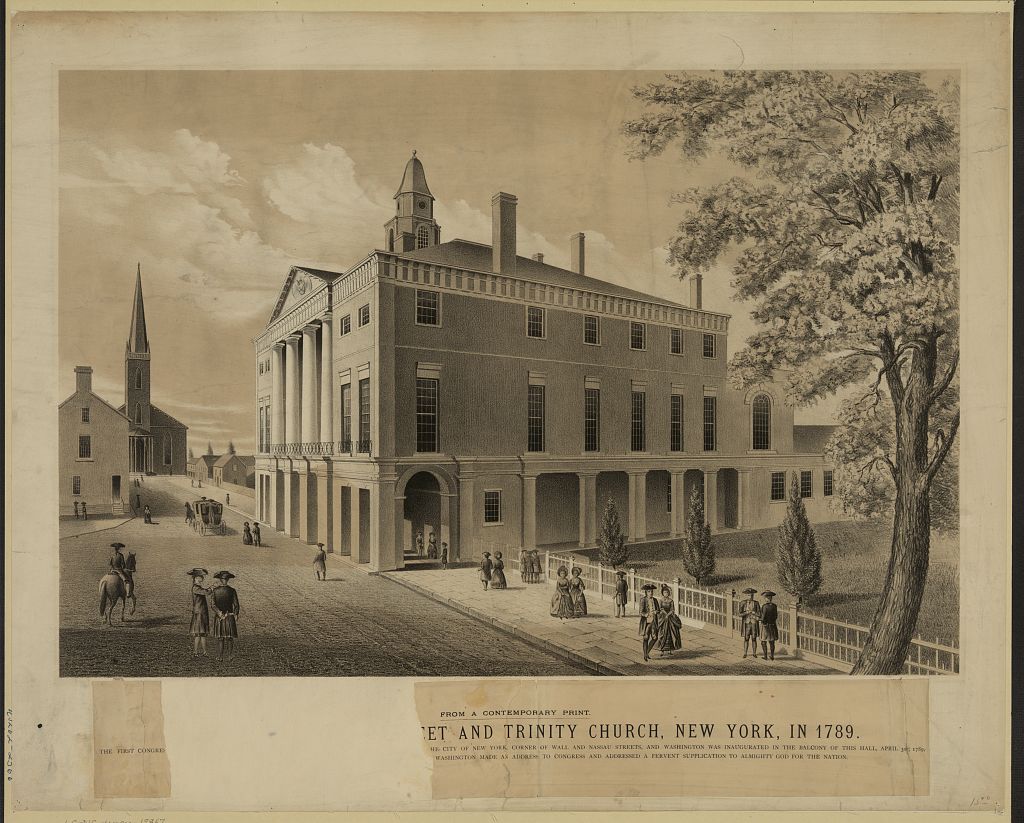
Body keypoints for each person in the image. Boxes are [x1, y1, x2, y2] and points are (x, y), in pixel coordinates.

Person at [210, 571, 240, 660]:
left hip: (224, 617)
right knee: (224, 637)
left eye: (225, 579)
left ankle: (225, 656)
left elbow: (213, 605)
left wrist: (220, 613)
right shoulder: (231, 590)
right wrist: (235, 613)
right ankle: (223, 656)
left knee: (225, 637)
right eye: (224, 579)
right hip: (225, 617)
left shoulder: (217, 590)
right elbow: (236, 605)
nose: (224, 580)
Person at [187, 568, 211, 657]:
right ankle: (195, 652)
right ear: (196, 578)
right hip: (199, 613)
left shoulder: (197, 587)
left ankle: (204, 652)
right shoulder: (195, 588)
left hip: (202, 612)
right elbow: (206, 592)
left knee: (202, 633)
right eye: (201, 576)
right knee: (198, 633)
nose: (202, 578)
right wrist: (212, 588)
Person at [655, 584, 683, 656]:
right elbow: (660, 608)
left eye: (667, 593)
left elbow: (672, 610)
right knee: (662, 633)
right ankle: (662, 650)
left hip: (670, 617)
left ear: (668, 593)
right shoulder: (661, 600)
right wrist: (665, 614)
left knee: (671, 633)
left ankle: (670, 650)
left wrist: (668, 615)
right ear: (662, 593)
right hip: (663, 617)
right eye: (664, 592)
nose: (666, 594)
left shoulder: (671, 601)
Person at [638, 583, 659, 661]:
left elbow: (658, 610)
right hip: (646, 622)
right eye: (649, 591)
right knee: (646, 638)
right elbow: (640, 612)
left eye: (652, 591)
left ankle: (647, 652)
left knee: (655, 637)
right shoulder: (643, 600)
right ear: (646, 592)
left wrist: (656, 612)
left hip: (654, 621)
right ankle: (645, 655)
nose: (651, 593)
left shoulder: (655, 600)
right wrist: (646, 614)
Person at [739, 588, 762, 658]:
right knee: (746, 638)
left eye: (752, 595)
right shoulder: (742, 603)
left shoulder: (756, 603)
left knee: (754, 638)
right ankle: (745, 653)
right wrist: (746, 612)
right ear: (746, 595)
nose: (750, 597)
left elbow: (759, 614)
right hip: (746, 623)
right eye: (749, 595)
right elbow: (740, 614)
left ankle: (754, 653)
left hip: (754, 623)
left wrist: (754, 613)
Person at [760, 591, 779, 660]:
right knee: (771, 641)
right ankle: (772, 656)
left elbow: (763, 617)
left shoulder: (764, 606)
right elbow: (776, 616)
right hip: (773, 625)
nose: (765, 599)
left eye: (766, 598)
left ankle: (765, 656)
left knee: (763, 641)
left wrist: (760, 619)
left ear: (767, 598)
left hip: (765, 626)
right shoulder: (774, 606)